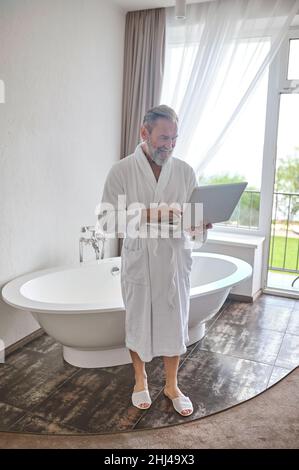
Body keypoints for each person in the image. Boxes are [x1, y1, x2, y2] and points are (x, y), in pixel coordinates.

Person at [95, 105, 212, 416]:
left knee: (174, 324)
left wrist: (201, 225)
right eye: (163, 138)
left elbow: (194, 224)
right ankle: (140, 379)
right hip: (140, 260)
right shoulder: (121, 171)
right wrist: (150, 213)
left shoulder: (185, 171)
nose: (169, 145)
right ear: (144, 133)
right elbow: (106, 222)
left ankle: (172, 384)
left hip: (174, 260)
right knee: (138, 322)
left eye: (174, 139)